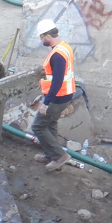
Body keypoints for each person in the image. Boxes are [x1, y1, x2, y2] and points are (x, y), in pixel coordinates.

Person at [31, 18, 76, 171]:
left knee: (38, 126)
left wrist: (46, 102)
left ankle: (59, 156)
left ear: (47, 36)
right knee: (50, 124)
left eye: (41, 37)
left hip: (57, 97)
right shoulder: (64, 47)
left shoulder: (57, 55)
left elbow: (57, 81)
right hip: (64, 95)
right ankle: (50, 153)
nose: (41, 40)